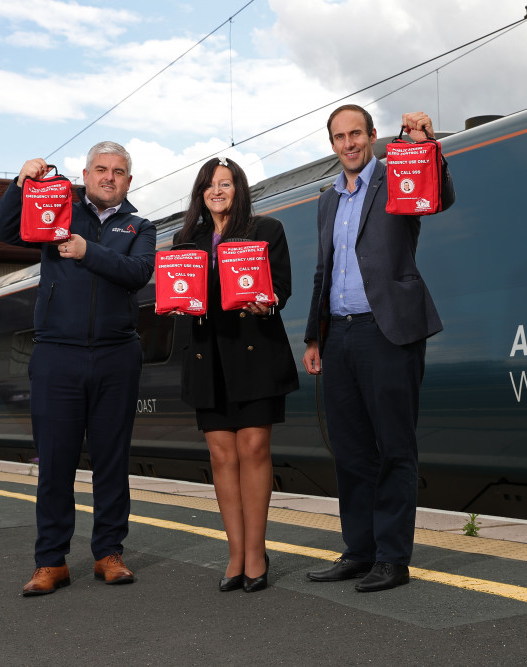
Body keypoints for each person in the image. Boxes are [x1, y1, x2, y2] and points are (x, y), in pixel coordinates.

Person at [302, 105, 456, 592]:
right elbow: (323, 272)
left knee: (393, 447)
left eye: (356, 134)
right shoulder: (327, 201)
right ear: (332, 144)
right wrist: (314, 335)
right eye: (338, 137)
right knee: (349, 450)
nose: (348, 143)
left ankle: (392, 558)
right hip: (340, 335)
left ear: (372, 136)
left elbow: (440, 197)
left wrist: (427, 146)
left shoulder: (398, 177)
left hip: (387, 331)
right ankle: (359, 550)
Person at [0, 142, 156, 596]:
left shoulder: (141, 225)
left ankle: (108, 553)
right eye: (101, 169)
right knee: (56, 465)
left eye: (118, 171)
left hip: (117, 355)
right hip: (56, 355)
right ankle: (51, 562)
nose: (109, 177)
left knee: (111, 462)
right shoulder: (57, 211)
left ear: (128, 178)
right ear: (85, 173)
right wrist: (21, 182)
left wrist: (86, 251)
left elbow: (137, 273)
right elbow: (4, 230)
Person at [173, 156, 298, 593]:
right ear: (201, 194)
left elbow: (281, 287)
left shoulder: (267, 230)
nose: (217, 191)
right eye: (209, 185)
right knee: (222, 457)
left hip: (255, 352)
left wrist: (268, 301)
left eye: (225, 183)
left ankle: (256, 552)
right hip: (208, 357)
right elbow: (182, 296)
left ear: (238, 188)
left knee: (254, 448)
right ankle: (235, 553)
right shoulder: (185, 240)